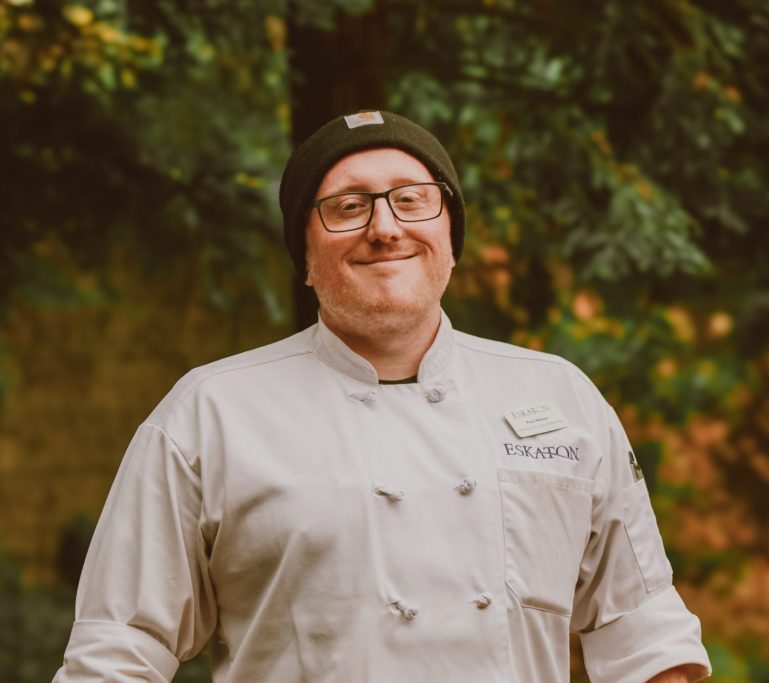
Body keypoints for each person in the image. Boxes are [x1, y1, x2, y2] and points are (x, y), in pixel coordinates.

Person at [54, 110, 712, 682]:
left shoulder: (562, 397)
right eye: (347, 206)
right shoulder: (209, 414)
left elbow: (646, 635)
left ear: (450, 235)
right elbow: (119, 652)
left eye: (412, 199)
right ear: (305, 257)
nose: (385, 227)